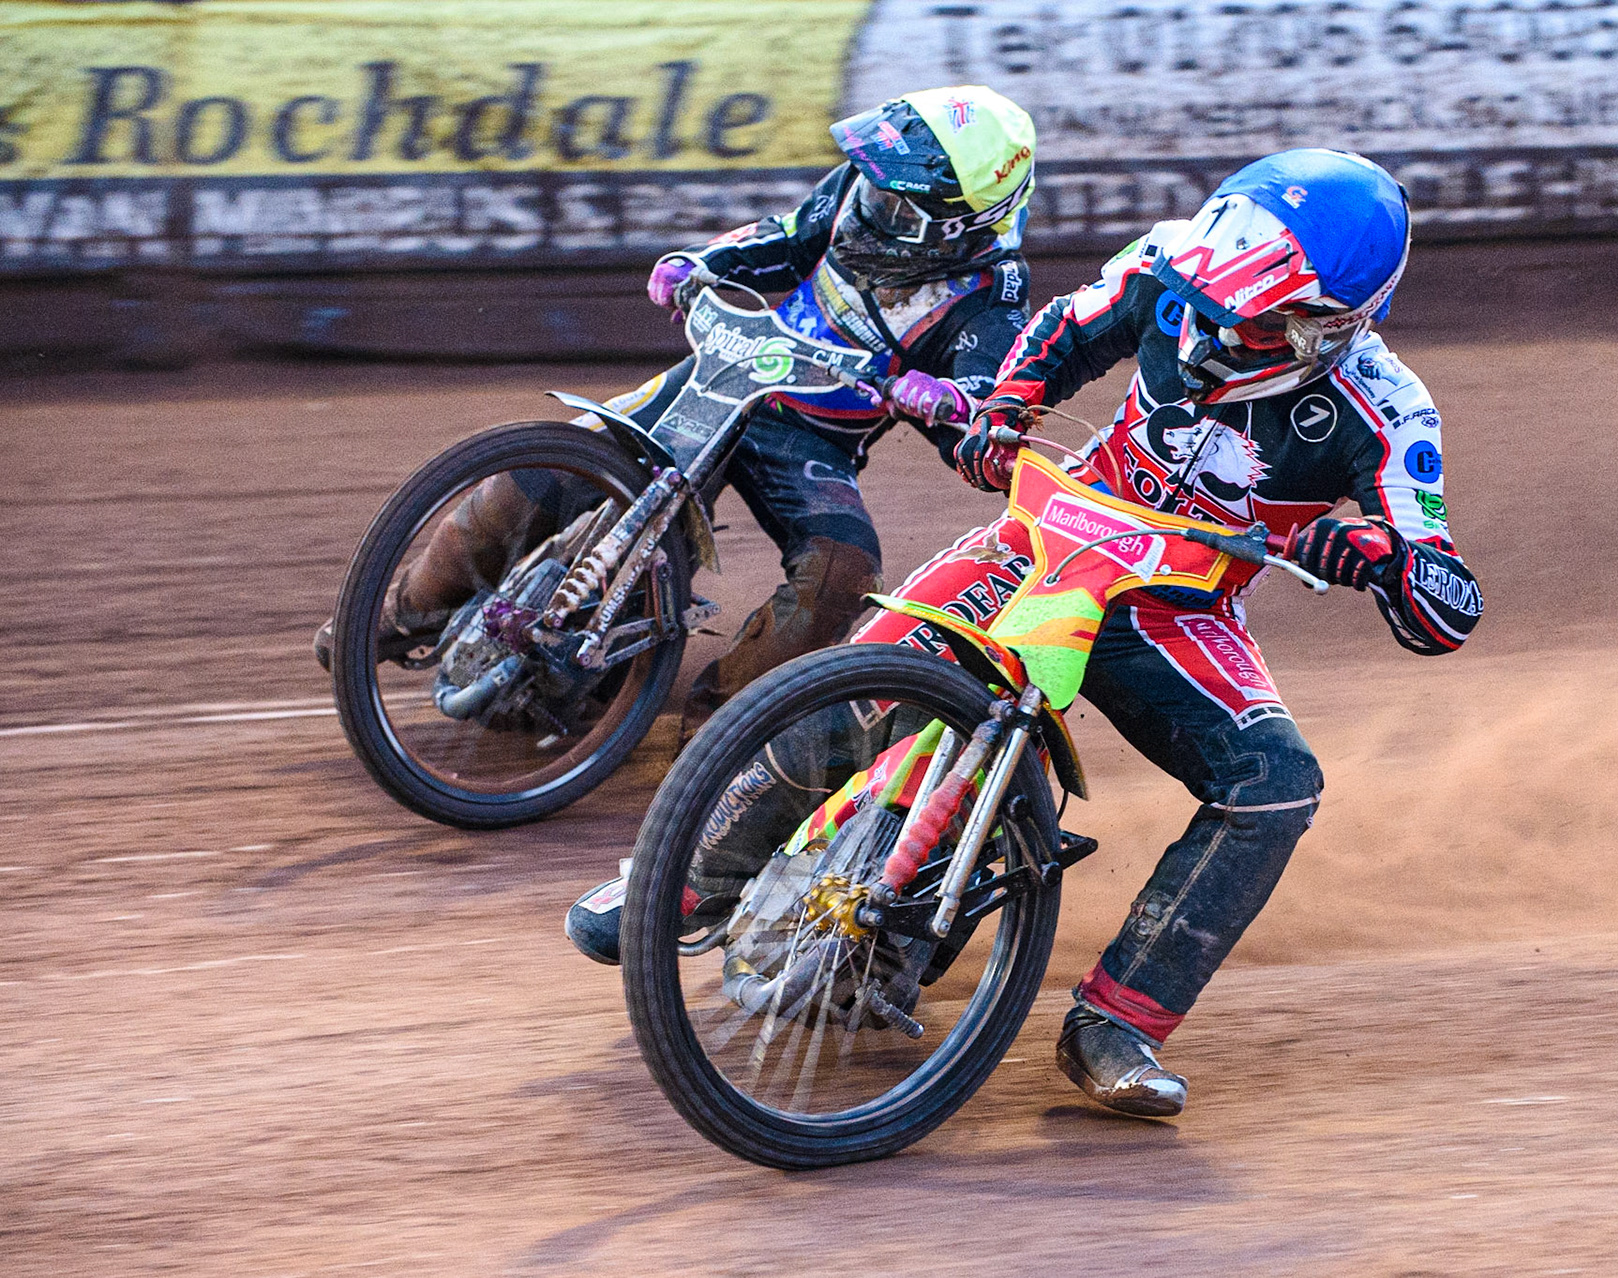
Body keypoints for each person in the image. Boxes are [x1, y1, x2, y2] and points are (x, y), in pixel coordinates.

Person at [566, 148, 1483, 1120]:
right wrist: (1007, 408)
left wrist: (1380, 554)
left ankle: (1117, 1022)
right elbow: (1071, 326)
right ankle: (679, 885)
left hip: (1179, 603)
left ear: (1332, 325)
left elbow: (1445, 601)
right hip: (1051, 529)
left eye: (1250, 316)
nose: (1212, 322)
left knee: (1278, 785)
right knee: (869, 679)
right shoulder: (1173, 264)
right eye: (1209, 293)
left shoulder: (1388, 415)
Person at [315, 85, 1039, 748]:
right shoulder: (864, 185)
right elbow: (783, 237)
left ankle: (713, 738)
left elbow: (984, 412)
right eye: (875, 189)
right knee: (548, 463)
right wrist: (701, 262)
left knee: (843, 572)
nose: (870, 206)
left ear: (960, 228)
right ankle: (397, 613)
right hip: (721, 371)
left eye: (895, 208)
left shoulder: (993, 295)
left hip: (807, 436)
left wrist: (952, 402)